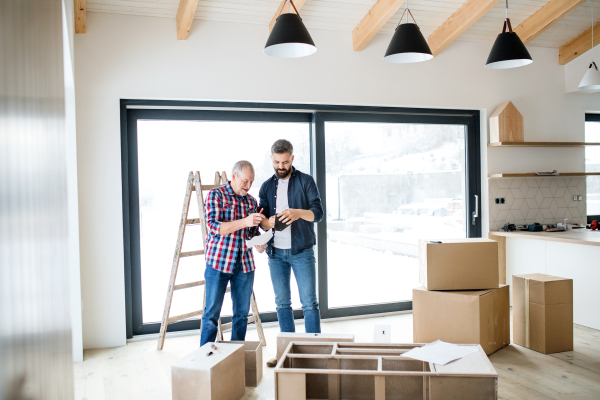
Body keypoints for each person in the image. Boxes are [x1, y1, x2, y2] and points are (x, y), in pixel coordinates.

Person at [258, 139, 324, 367]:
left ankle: (316, 354)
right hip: (276, 254)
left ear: (292, 159)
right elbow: (262, 221)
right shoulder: (266, 186)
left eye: (285, 161)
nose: (281, 166)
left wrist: (297, 213)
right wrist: (266, 225)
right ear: (272, 159)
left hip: (301, 251)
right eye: (277, 162)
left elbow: (318, 213)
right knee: (282, 304)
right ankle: (286, 354)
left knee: (309, 303)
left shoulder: (306, 181)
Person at [200, 160, 267, 346]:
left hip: (244, 266)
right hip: (218, 264)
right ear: (234, 176)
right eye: (245, 181)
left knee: (241, 316)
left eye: (251, 182)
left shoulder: (252, 202)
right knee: (211, 314)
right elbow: (214, 227)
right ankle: (203, 359)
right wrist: (245, 221)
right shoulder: (216, 195)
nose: (248, 185)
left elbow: (251, 233)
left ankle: (235, 357)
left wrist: (259, 243)